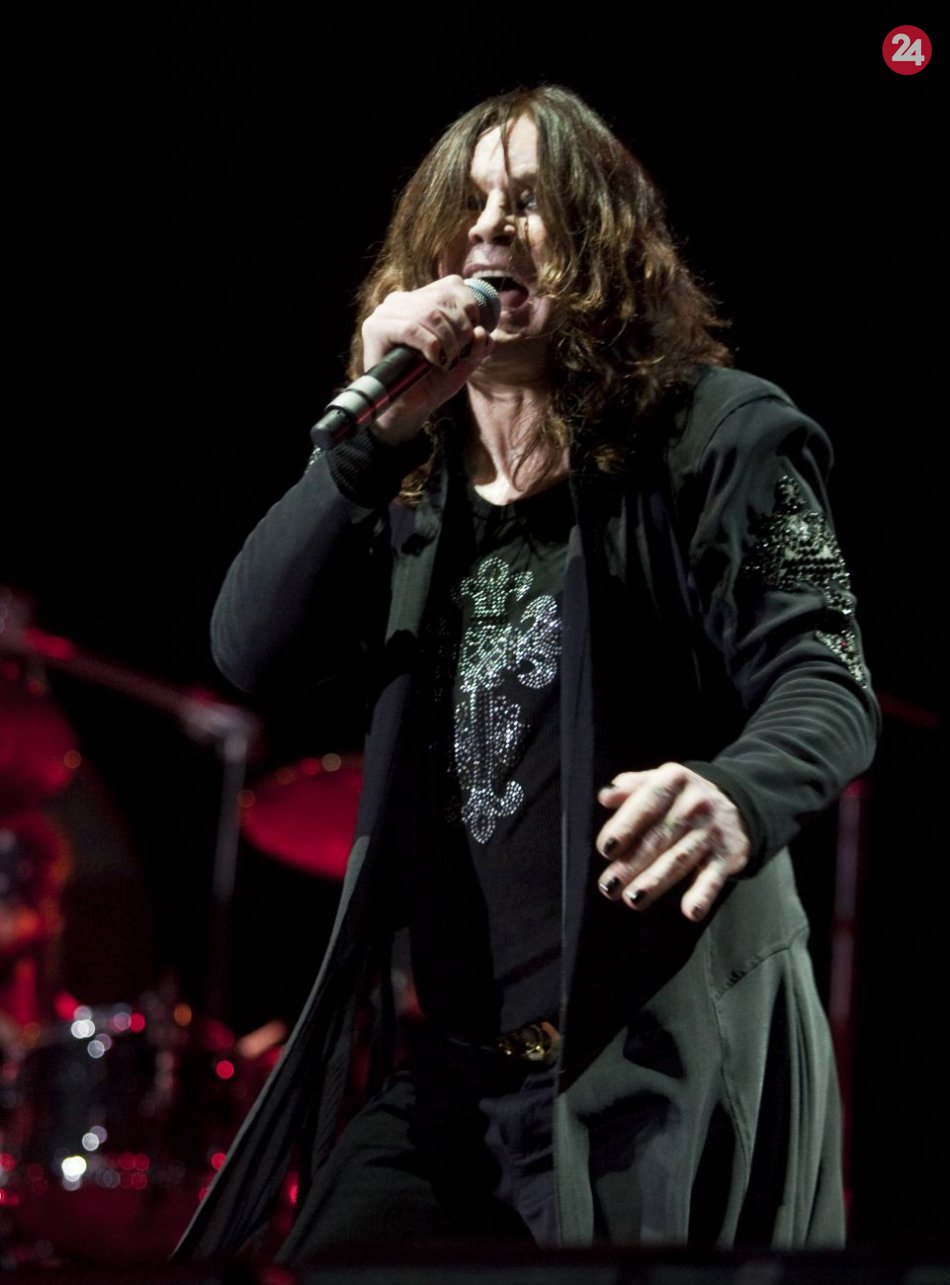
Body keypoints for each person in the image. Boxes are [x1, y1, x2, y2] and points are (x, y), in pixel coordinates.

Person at [176, 85, 878, 1262]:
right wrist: (365, 448)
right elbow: (249, 647)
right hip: (454, 1080)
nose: (489, 226)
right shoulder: (415, 487)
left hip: (649, 1065)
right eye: (468, 203)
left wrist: (735, 792)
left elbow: (827, 677)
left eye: (530, 201)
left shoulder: (718, 437)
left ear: (604, 245)